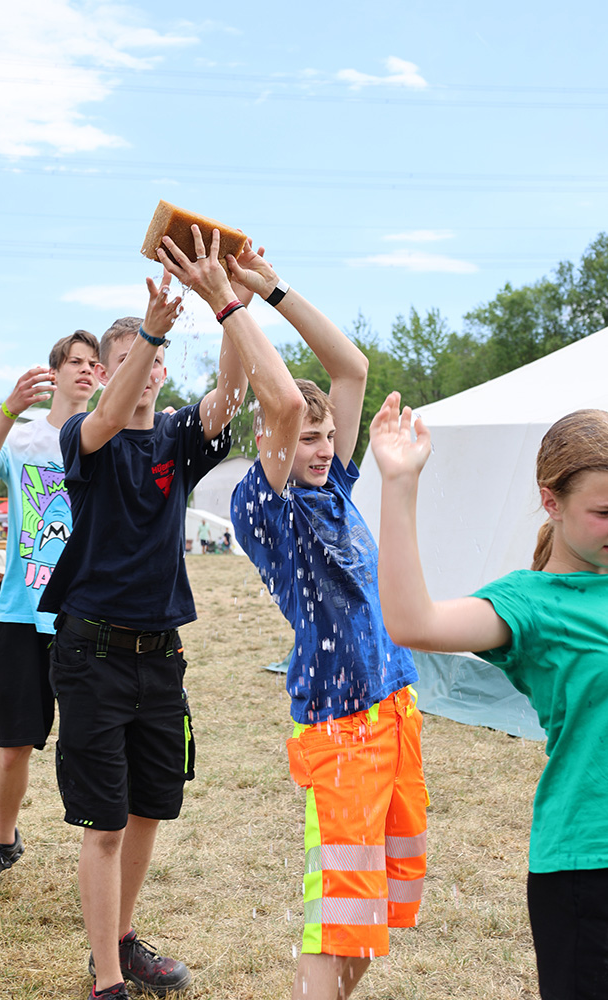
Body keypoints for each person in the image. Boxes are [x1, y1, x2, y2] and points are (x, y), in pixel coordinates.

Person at [38, 232, 251, 1000]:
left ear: (162, 370)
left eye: (152, 360)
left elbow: (229, 392)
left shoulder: (177, 439)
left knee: (149, 808)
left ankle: (124, 940)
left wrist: (232, 305)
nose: (141, 372)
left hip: (161, 655)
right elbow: (98, 423)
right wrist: (155, 324)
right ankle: (106, 983)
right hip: (91, 651)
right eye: (124, 361)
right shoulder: (83, 440)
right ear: (110, 377)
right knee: (104, 823)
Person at [220, 246, 427, 1000]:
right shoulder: (263, 510)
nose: (318, 447)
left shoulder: (335, 482)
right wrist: (226, 308)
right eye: (304, 437)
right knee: (335, 914)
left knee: (377, 907)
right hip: (339, 727)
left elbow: (351, 368)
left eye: (323, 435)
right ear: (278, 445)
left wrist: (266, 287)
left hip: (394, 706)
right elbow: (277, 402)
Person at [370, 393, 608, 1000]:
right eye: (604, 511)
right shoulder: (532, 604)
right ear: (551, 503)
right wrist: (398, 484)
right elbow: (413, 622)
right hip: (589, 866)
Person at [0, 330, 99, 896]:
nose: (87, 371)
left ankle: (100, 858)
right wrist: (10, 407)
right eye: (77, 363)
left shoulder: (106, 439)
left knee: (93, 744)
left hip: (87, 615)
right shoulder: (22, 441)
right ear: (56, 372)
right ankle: (3, 841)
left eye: (95, 364)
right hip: (21, 613)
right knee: (15, 743)